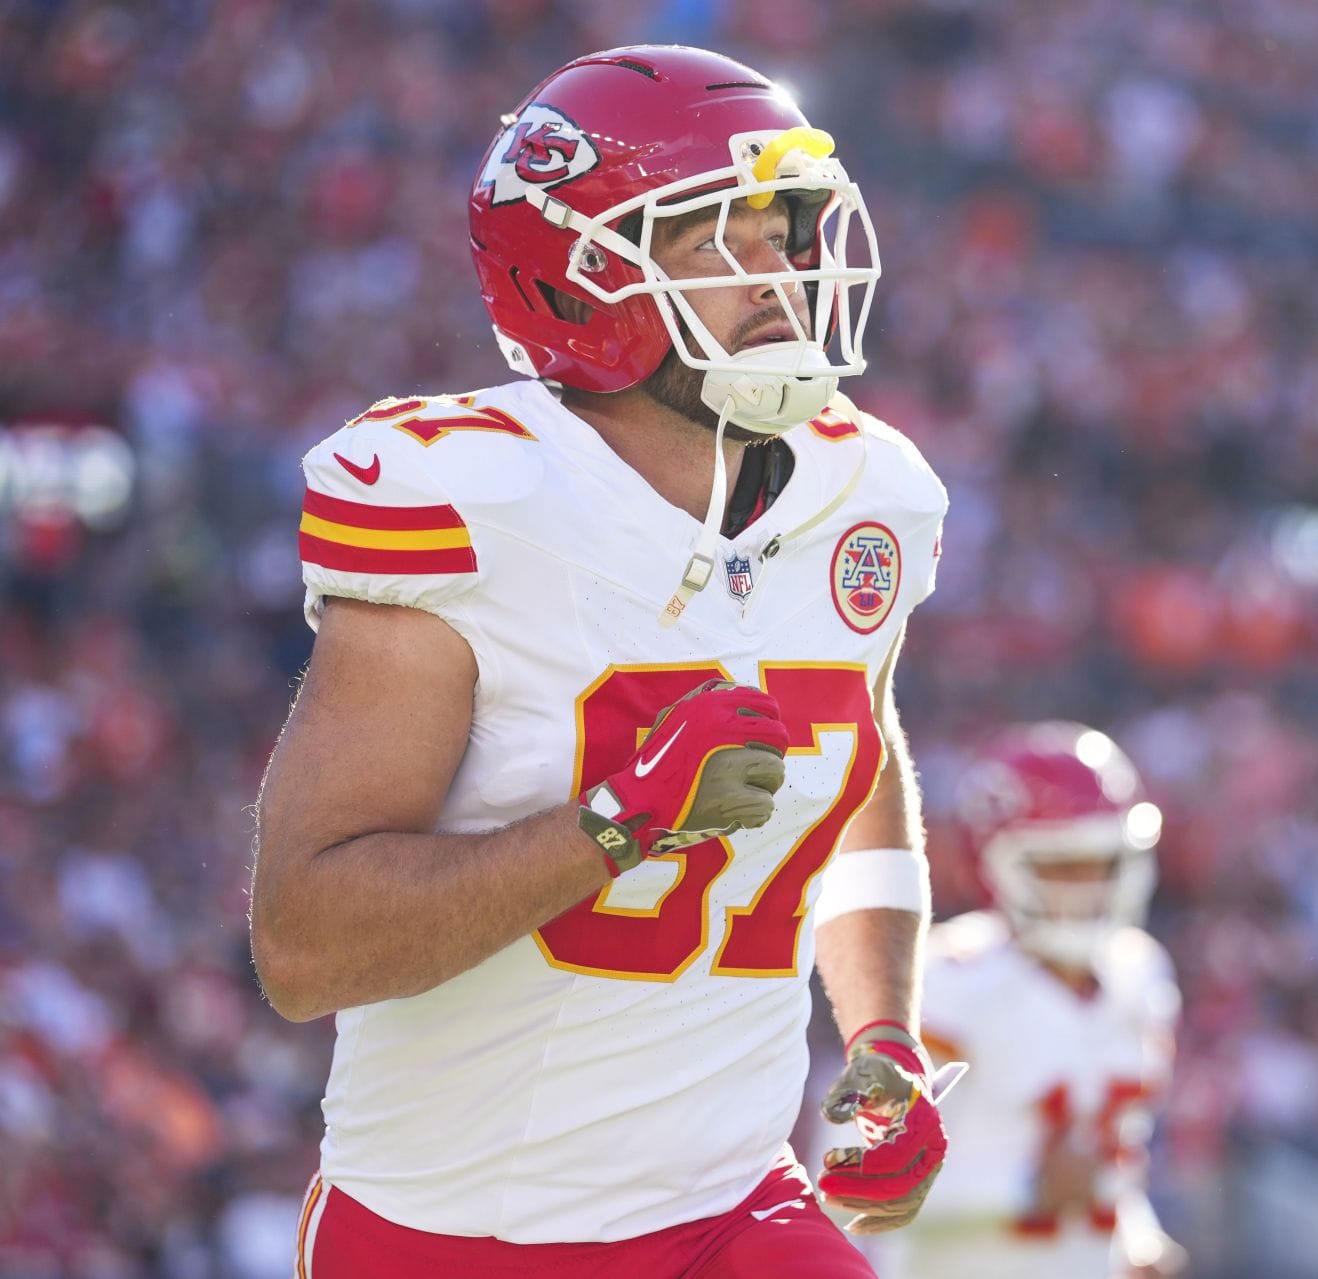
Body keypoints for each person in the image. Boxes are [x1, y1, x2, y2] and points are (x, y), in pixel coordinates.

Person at [249, 45, 952, 1278]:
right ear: (583, 277)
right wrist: (620, 823)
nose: (782, 273)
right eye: (719, 236)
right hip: (460, 1233)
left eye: (786, 229)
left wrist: (884, 1030)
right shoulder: (476, 503)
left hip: (736, 1200)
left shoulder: (869, 491)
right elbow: (305, 947)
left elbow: (857, 759)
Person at [876, 722, 1186, 1278]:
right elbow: (855, 1179)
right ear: (995, 863)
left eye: (1104, 862)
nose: (1089, 886)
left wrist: (1137, 1242)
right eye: (1063, 865)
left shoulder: (1140, 973)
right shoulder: (945, 984)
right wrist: (1020, 1186)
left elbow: (1111, 1167)